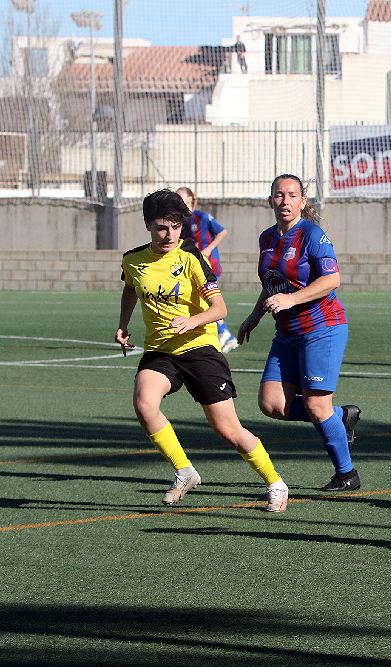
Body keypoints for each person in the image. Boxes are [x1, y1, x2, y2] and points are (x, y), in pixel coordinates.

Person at [116, 189, 288, 512]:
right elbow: (129, 287)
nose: (170, 235)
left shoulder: (192, 258)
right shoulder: (133, 260)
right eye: (162, 228)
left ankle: (275, 482)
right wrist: (124, 324)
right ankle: (184, 471)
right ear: (148, 225)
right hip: (160, 351)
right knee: (144, 403)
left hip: (199, 348)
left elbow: (220, 308)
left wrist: (191, 321)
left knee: (228, 430)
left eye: (176, 227)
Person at [237, 174, 362, 492]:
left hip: (322, 329)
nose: (285, 201)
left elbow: (331, 280)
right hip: (287, 333)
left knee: (315, 406)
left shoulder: (312, 234)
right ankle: (340, 416)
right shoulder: (267, 238)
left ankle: (346, 474)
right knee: (272, 404)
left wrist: (292, 299)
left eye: (292, 195)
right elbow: (273, 283)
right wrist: (254, 316)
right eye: (279, 195)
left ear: (303, 202)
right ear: (270, 201)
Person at [176, 187, 237, 353]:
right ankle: (226, 335)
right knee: (200, 302)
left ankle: (225, 334)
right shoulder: (181, 222)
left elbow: (222, 231)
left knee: (207, 302)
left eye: (182, 199)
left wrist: (209, 249)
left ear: (190, 200)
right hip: (193, 269)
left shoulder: (201, 217)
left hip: (209, 266)